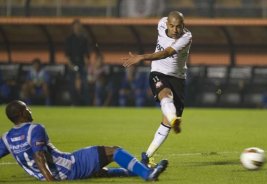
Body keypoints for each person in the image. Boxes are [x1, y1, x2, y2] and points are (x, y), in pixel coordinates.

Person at [0, 100, 168, 181]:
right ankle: (148, 174)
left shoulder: (6, 138)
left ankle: (141, 168)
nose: (29, 110)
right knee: (112, 151)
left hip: (51, 175)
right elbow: (40, 157)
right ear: (22, 113)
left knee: (99, 170)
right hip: (68, 167)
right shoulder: (34, 129)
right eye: (26, 108)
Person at [123, 11, 192, 167]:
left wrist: (141, 57)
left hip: (178, 79)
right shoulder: (161, 23)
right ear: (166, 24)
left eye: (179, 27)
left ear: (183, 26)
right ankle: (174, 117)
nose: (175, 30)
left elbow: (166, 53)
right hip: (158, 72)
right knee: (165, 95)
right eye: (172, 26)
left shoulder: (186, 37)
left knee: (166, 122)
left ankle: (147, 156)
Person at [65, 19, 90, 105]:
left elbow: (86, 55)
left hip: (82, 65)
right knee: (72, 87)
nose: (77, 28)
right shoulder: (69, 39)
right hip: (72, 65)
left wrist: (86, 66)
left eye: (78, 26)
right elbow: (67, 56)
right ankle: (74, 104)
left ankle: (85, 105)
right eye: (75, 26)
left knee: (85, 86)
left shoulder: (84, 39)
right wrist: (71, 66)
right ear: (73, 27)